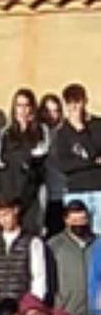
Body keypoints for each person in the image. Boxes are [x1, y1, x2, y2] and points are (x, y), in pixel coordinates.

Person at [0, 88, 49, 233]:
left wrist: (21, 155)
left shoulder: (41, 130)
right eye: (19, 105)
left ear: (32, 108)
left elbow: (41, 153)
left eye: (26, 105)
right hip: (11, 191)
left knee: (32, 232)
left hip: (33, 193)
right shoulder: (6, 132)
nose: (23, 110)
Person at [0, 196, 48, 311]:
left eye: (6, 214)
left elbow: (39, 277)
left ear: (16, 210)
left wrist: (33, 305)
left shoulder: (33, 242)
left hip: (24, 305)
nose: (4, 220)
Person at [50, 82, 101, 235]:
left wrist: (81, 130)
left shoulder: (97, 125)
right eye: (70, 104)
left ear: (85, 101)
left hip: (98, 189)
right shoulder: (62, 132)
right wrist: (92, 163)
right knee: (78, 235)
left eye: (77, 102)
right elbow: (64, 165)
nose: (75, 108)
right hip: (76, 190)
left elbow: (94, 151)